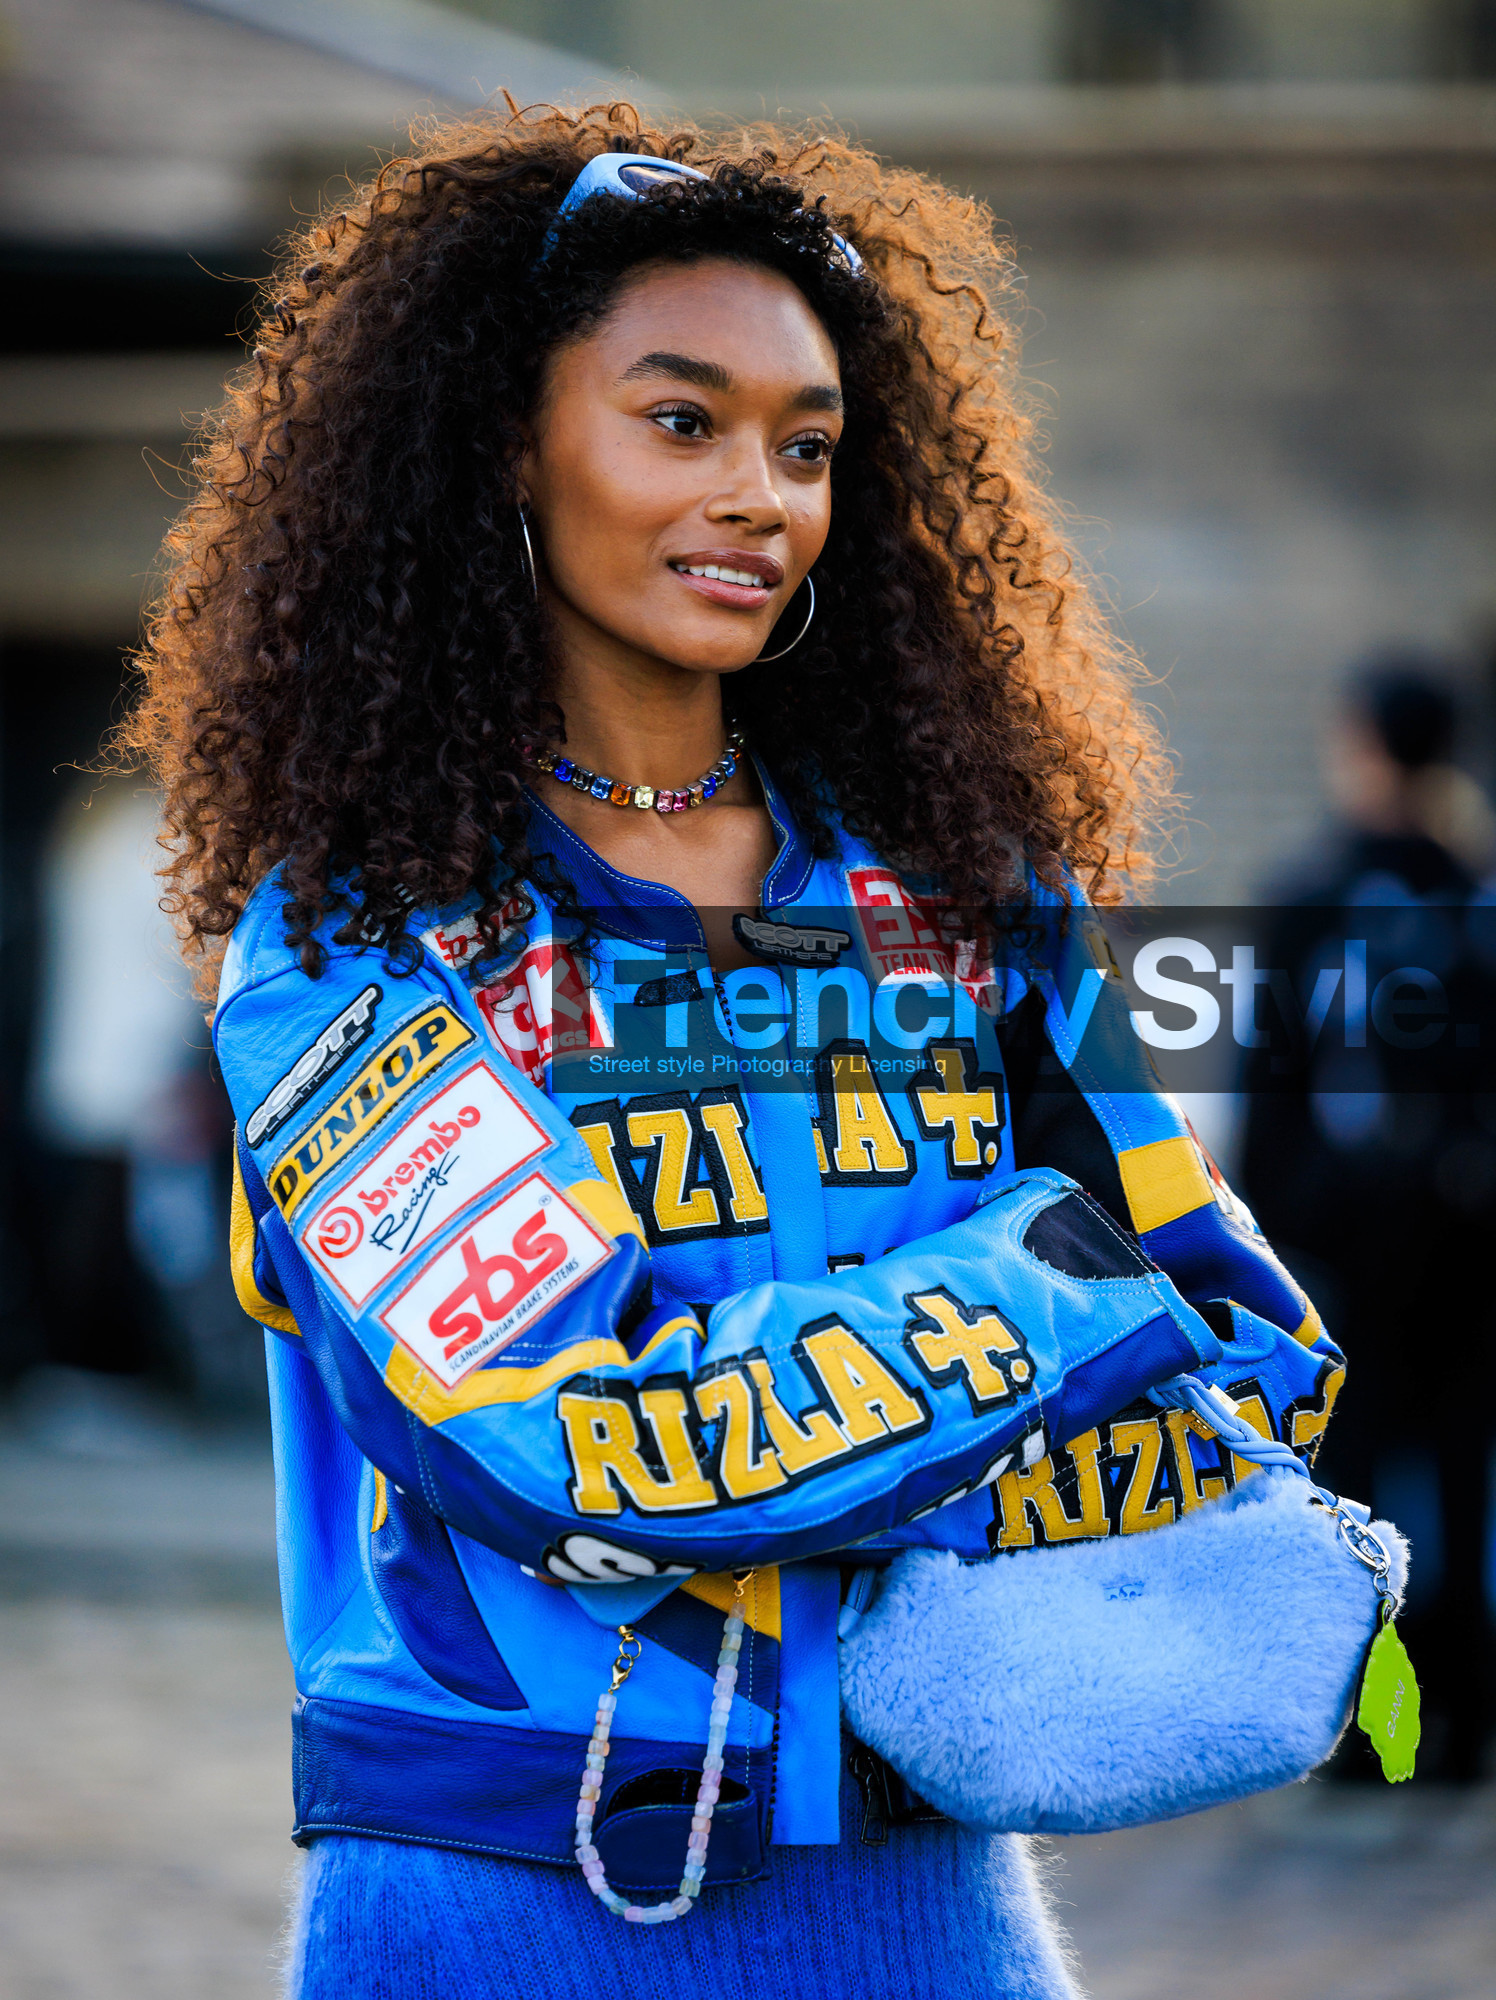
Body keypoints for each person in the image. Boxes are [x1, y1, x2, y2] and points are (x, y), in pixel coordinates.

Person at [126, 107, 1344, 1999]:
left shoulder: (968, 891)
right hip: (503, 1888)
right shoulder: (355, 934)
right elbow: (566, 1438)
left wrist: (853, 1450)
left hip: (927, 1889)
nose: (760, 496)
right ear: (502, 445)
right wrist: (1029, 1298)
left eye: (808, 445)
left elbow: (1250, 1359)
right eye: (680, 421)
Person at [1241, 660, 1495, 1783]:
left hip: (1345, 1245)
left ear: (1360, 745)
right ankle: (1464, 1724)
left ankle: (1368, 1735)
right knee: (1462, 1472)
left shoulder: (1316, 896)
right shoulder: (1471, 894)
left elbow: (1271, 1085)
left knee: (1350, 1488)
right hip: (1467, 1240)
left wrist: (1257, 1252)